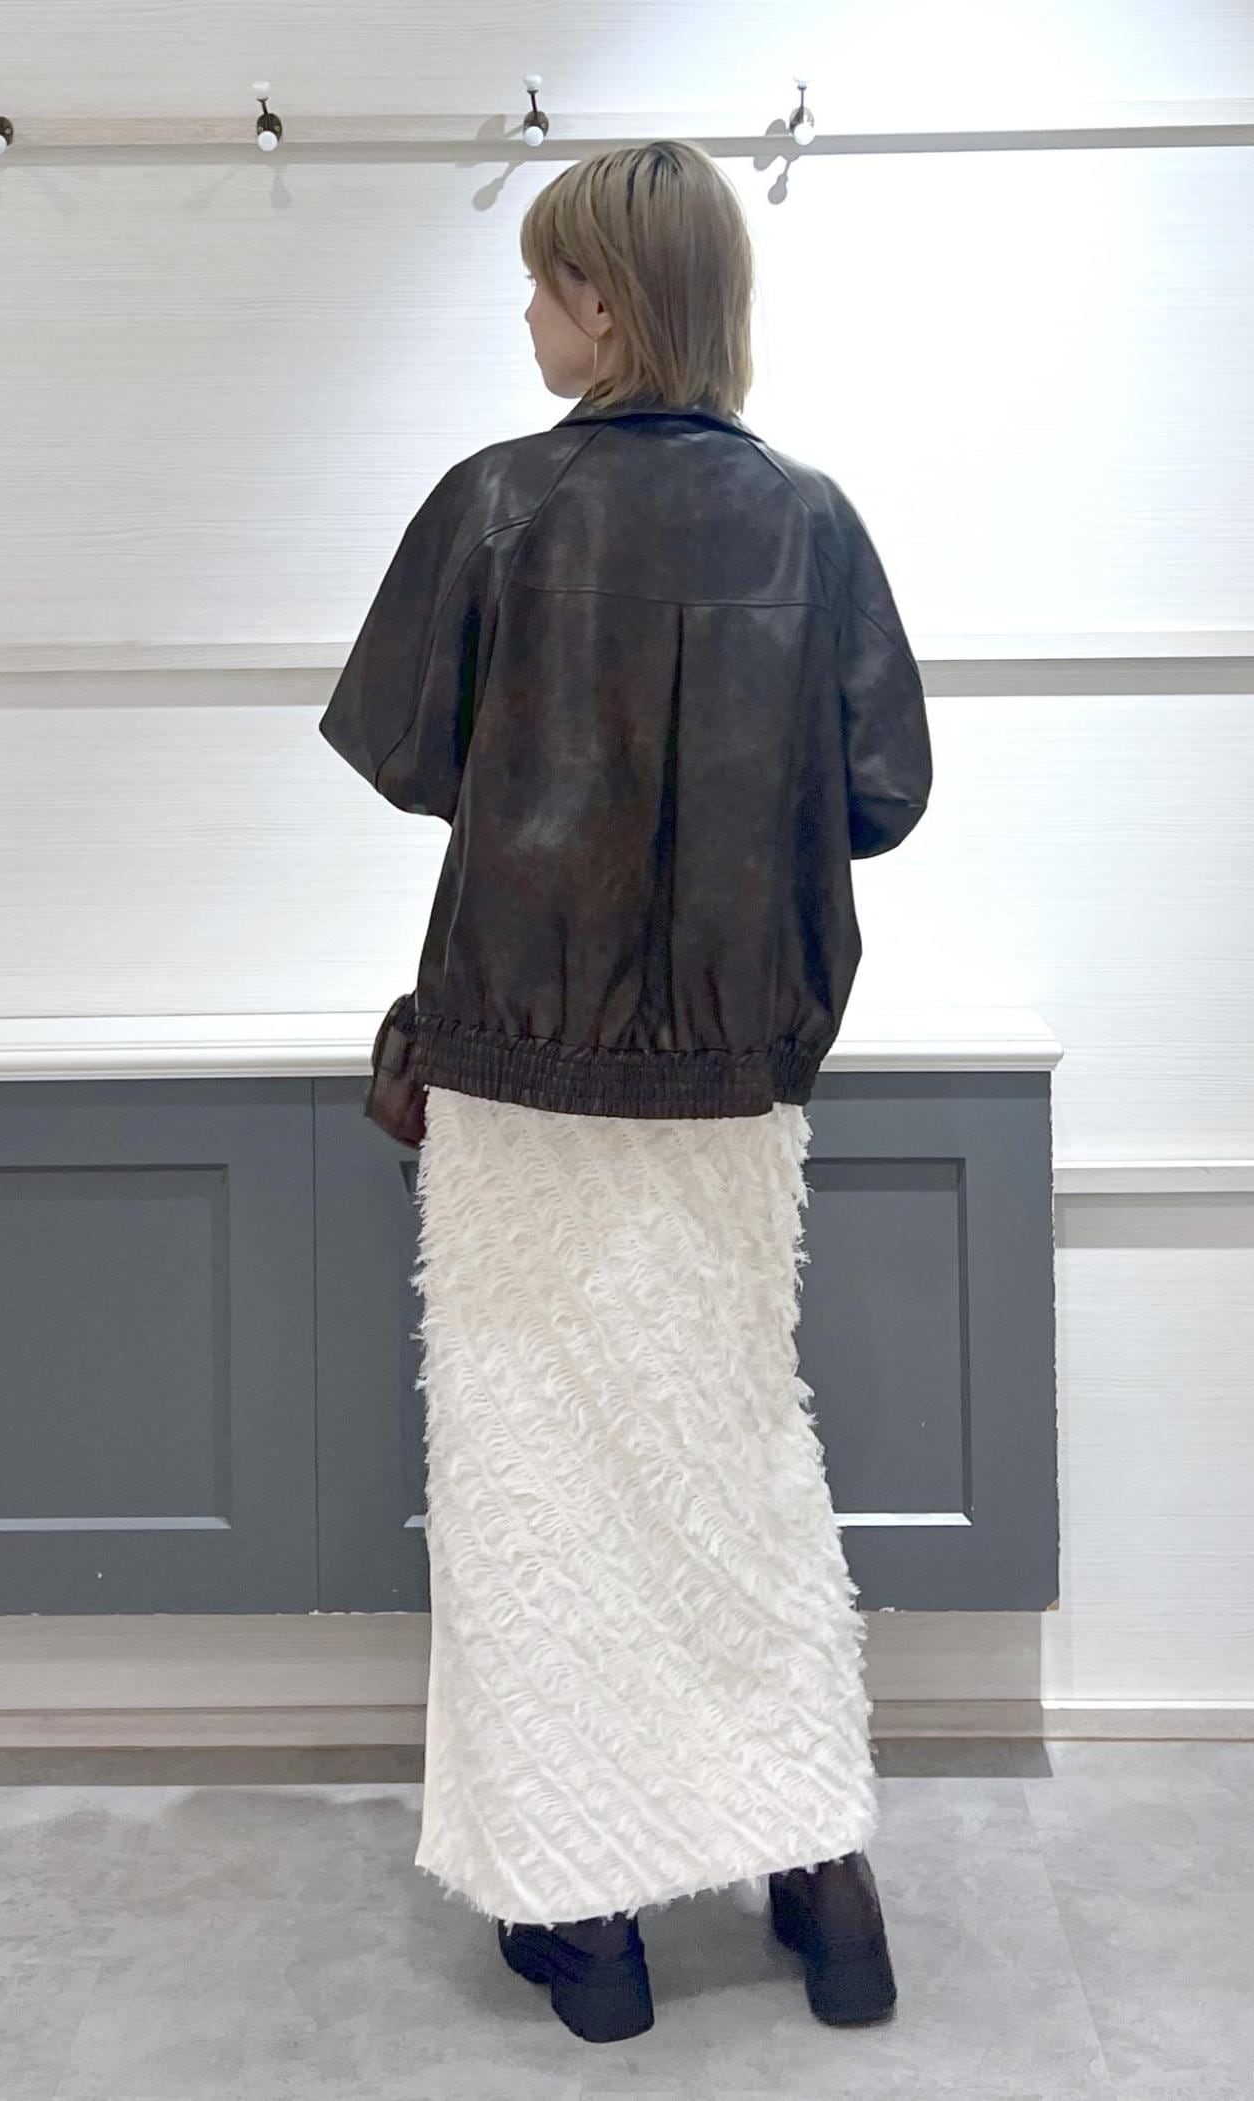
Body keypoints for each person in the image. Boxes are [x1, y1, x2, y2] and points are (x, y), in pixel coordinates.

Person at [320, 138, 933, 2046]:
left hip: (520, 1074)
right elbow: (883, 797)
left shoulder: (495, 506)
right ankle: (823, 1887)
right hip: (736, 1090)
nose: (528, 310)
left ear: (606, 302)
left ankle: (591, 1924)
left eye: (545, 279)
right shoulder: (814, 523)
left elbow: (409, 752)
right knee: (736, 1468)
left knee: (540, 1486)